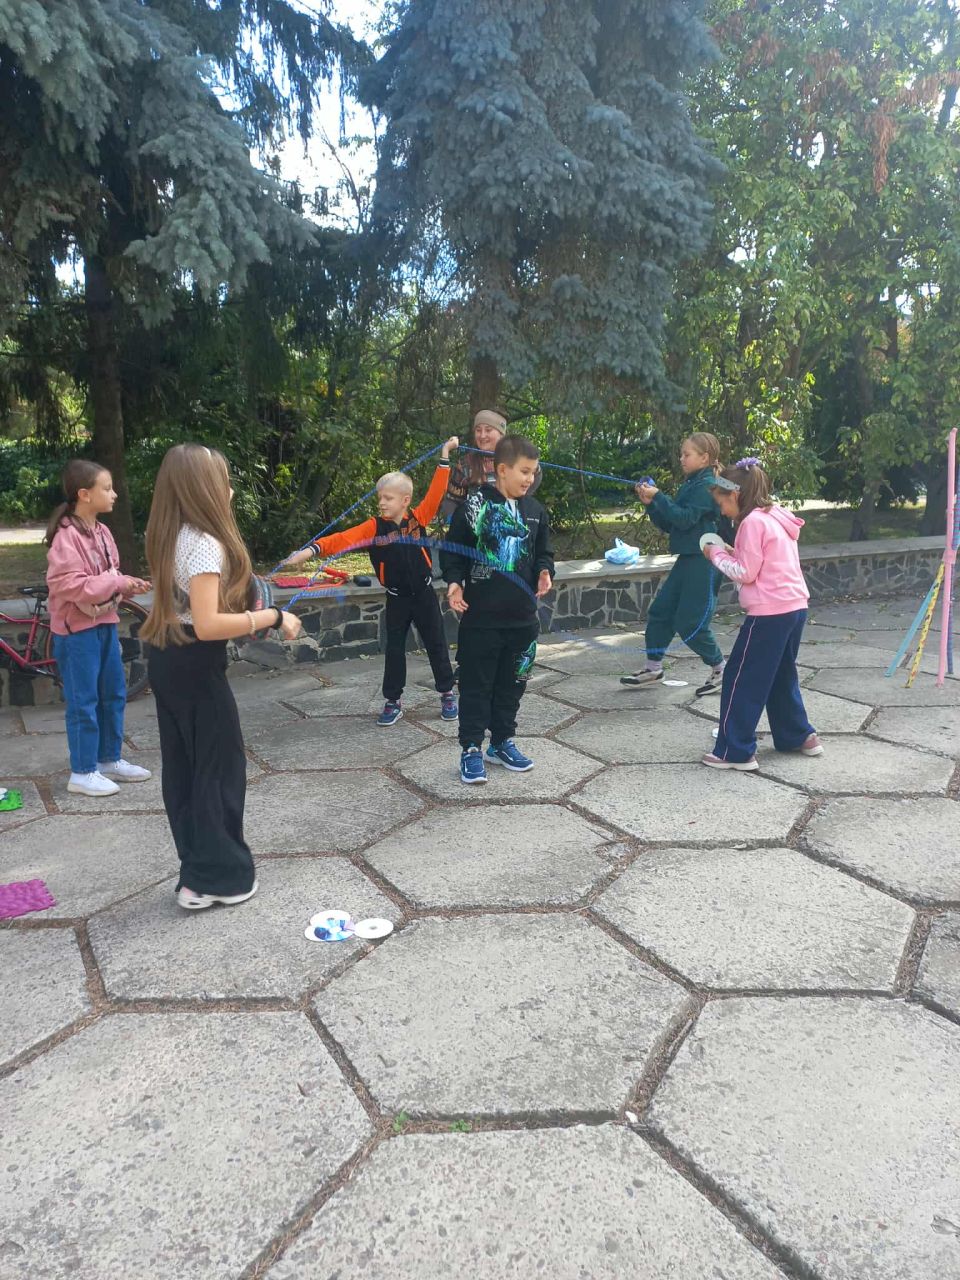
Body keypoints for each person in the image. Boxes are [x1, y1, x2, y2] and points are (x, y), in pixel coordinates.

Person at [141, 444, 302, 910]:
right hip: (195, 663)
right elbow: (208, 623)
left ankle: (196, 877)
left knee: (187, 771)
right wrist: (272, 617)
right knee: (219, 770)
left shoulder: (167, 533)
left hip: (168, 658)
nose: (229, 488)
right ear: (204, 488)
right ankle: (221, 880)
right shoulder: (204, 542)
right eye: (223, 480)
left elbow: (193, 607)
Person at [282, 438, 460, 726]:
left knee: (436, 644)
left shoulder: (419, 518)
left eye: (388, 498)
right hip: (397, 598)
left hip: (424, 594)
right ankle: (393, 701)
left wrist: (444, 454)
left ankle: (447, 693)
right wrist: (310, 551)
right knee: (394, 650)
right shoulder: (373, 527)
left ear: (405, 500)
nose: (381, 503)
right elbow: (342, 539)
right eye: (380, 498)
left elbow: (436, 491)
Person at [443, 435, 554, 784]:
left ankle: (502, 741)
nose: (529, 479)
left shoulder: (535, 511)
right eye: (524, 471)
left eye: (533, 472)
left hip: (523, 621)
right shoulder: (474, 506)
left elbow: (544, 552)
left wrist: (545, 570)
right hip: (482, 621)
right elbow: (453, 550)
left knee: (513, 684)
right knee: (476, 686)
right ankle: (471, 748)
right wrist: (454, 582)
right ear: (503, 469)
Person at [701, 459, 823, 771]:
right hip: (794, 607)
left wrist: (716, 554)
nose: (722, 511)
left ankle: (735, 750)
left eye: (722, 503)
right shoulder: (775, 515)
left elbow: (746, 572)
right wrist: (733, 552)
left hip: (769, 613)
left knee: (741, 678)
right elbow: (761, 560)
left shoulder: (751, 523)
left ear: (735, 495)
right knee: (780, 674)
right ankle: (798, 735)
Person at [45, 460, 152, 798]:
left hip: (105, 624)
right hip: (77, 634)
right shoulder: (66, 537)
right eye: (106, 488)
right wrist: (116, 582)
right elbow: (70, 585)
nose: (114, 494)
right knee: (84, 701)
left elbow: (108, 577)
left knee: (113, 693)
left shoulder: (103, 532)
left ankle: (108, 760)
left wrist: (126, 584)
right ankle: (82, 772)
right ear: (84, 494)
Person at [622, 432, 726, 697]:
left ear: (704, 458)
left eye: (687, 454)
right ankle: (653, 668)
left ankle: (721, 669)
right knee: (661, 612)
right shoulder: (692, 484)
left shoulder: (708, 485)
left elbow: (684, 518)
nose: (681, 459)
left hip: (704, 562)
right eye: (682, 454)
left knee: (691, 623)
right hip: (688, 558)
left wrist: (659, 496)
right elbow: (671, 523)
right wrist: (652, 504)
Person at [441, 409, 541, 520]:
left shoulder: (518, 459)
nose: (482, 435)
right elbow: (451, 501)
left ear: (501, 433)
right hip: (475, 526)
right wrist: (453, 521)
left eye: (488, 430)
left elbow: (536, 476)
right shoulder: (465, 464)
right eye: (478, 430)